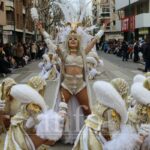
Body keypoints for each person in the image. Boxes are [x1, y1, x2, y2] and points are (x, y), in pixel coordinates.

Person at [73, 81, 140, 150]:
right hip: (98, 133)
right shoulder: (111, 110)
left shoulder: (101, 101)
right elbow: (113, 131)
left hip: (88, 129)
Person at [4, 84, 66, 150]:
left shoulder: (31, 106)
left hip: (20, 133)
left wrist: (27, 126)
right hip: (18, 132)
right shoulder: (26, 105)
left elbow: (35, 119)